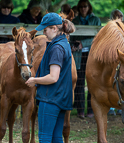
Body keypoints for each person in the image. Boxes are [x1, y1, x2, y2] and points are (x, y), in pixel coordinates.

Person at [25, 12, 75, 143]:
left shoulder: (57, 48)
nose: (44, 33)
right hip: (61, 98)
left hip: (50, 99)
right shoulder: (64, 43)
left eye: (45, 29)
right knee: (56, 137)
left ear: (54, 28)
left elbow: (53, 77)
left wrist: (34, 80)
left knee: (45, 137)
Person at [70, 0, 101, 119]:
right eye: (81, 6)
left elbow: (97, 38)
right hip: (78, 56)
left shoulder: (96, 20)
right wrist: (73, 45)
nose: (83, 8)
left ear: (89, 7)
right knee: (79, 83)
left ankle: (91, 110)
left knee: (92, 83)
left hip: (92, 55)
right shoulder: (75, 21)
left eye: (85, 6)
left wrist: (83, 43)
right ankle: (80, 110)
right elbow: (72, 36)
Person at [108, 9, 123, 116]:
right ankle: (112, 107)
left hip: (122, 61)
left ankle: (120, 107)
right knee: (112, 82)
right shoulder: (109, 29)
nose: (119, 17)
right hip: (112, 60)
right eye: (116, 15)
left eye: (120, 15)